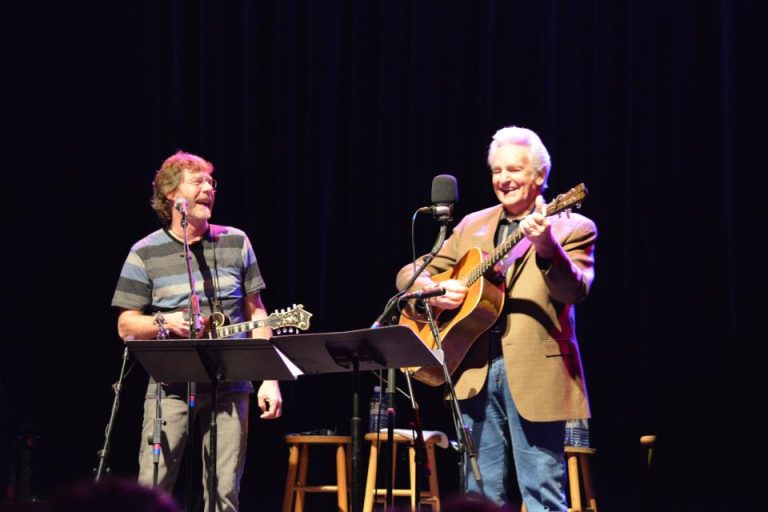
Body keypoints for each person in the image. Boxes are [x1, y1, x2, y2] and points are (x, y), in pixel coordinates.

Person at [396, 126, 596, 511]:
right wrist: (434, 289)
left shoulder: (573, 227)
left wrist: (546, 246)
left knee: (542, 493)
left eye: (515, 170)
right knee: (478, 492)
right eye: (497, 171)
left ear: (540, 176)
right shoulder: (472, 224)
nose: (504, 180)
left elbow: (576, 290)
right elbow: (410, 273)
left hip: (536, 373)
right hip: (472, 369)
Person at [111, 151, 282, 511]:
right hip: (169, 387)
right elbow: (126, 325)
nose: (208, 189)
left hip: (231, 383)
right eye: (197, 181)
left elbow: (257, 312)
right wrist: (165, 322)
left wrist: (269, 378)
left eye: (211, 182)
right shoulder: (144, 252)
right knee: (153, 486)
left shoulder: (236, 241)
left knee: (224, 493)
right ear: (172, 195)